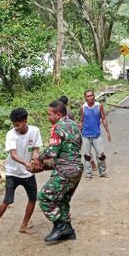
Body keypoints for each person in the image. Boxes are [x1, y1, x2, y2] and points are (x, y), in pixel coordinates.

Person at [34, 99, 84, 243]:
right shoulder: (75, 125)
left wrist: (39, 157)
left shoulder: (58, 127)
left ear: (58, 114)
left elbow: (52, 152)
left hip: (65, 171)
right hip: (77, 169)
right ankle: (68, 231)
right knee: (62, 200)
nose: (48, 117)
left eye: (49, 114)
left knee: (44, 197)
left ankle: (60, 226)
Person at [0, 108, 42, 239]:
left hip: (28, 174)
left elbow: (36, 148)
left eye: (18, 125)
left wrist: (35, 155)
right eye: (14, 125)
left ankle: (24, 225)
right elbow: (13, 154)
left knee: (33, 198)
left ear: (25, 121)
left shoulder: (35, 131)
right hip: (13, 172)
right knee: (7, 200)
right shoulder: (11, 135)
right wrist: (25, 163)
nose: (16, 127)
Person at [79, 90, 111, 179]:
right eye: (88, 96)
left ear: (94, 96)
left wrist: (108, 132)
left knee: (101, 155)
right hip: (85, 135)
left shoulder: (99, 106)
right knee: (87, 156)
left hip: (97, 135)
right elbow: (81, 121)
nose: (90, 97)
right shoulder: (83, 108)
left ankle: (103, 172)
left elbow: (104, 118)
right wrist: (78, 134)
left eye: (91, 95)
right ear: (85, 98)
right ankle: (88, 174)